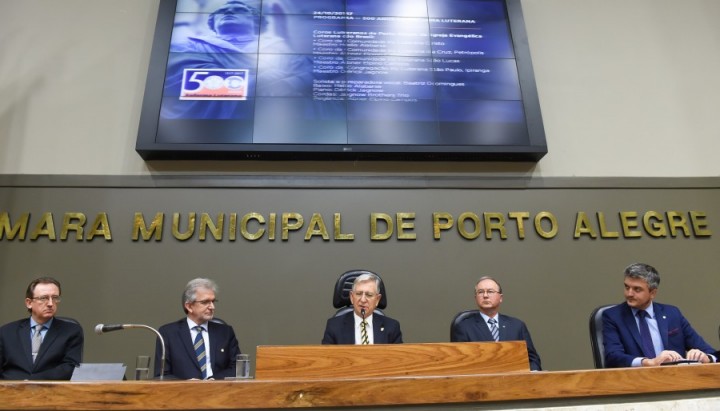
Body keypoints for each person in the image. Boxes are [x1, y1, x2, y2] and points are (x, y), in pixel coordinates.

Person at [602, 263, 717, 368]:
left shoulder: (672, 314)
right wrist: (648, 362)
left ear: (652, 293)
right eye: (627, 287)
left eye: (637, 289)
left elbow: (710, 351)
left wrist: (706, 357)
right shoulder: (613, 316)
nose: (629, 293)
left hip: (675, 382)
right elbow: (613, 357)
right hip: (635, 383)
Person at [155, 278, 241, 379]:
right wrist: (186, 384)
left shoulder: (225, 332)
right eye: (205, 302)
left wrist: (215, 380)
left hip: (218, 391)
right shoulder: (168, 333)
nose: (212, 307)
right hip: (183, 393)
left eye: (213, 301)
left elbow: (238, 368)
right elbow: (162, 375)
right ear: (189, 306)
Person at [451, 276, 542, 371]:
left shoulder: (517, 326)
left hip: (514, 382)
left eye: (490, 291)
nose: (485, 295)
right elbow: (459, 364)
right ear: (476, 298)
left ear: (500, 298)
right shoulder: (464, 327)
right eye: (481, 292)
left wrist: (530, 376)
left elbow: (532, 359)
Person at [0, 277, 84, 380]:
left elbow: (68, 368)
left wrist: (32, 382)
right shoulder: (7, 332)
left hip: (52, 392)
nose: (50, 303)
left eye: (55, 298)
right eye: (43, 298)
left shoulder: (71, 331)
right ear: (29, 303)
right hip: (11, 392)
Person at [322, 273, 403, 344]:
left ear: (377, 299)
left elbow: (399, 359)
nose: (363, 300)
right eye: (359, 294)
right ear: (351, 297)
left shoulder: (392, 327)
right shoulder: (334, 326)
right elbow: (326, 358)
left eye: (369, 295)